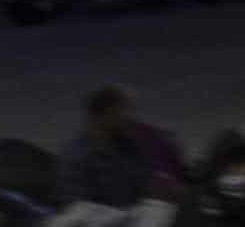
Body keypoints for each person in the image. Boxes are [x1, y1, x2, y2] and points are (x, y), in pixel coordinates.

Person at [56, 86, 187, 213]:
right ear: (102, 114)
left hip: (141, 221)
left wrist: (162, 187)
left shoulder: (129, 148)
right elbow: (75, 206)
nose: (128, 118)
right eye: (121, 112)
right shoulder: (75, 155)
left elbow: (145, 181)